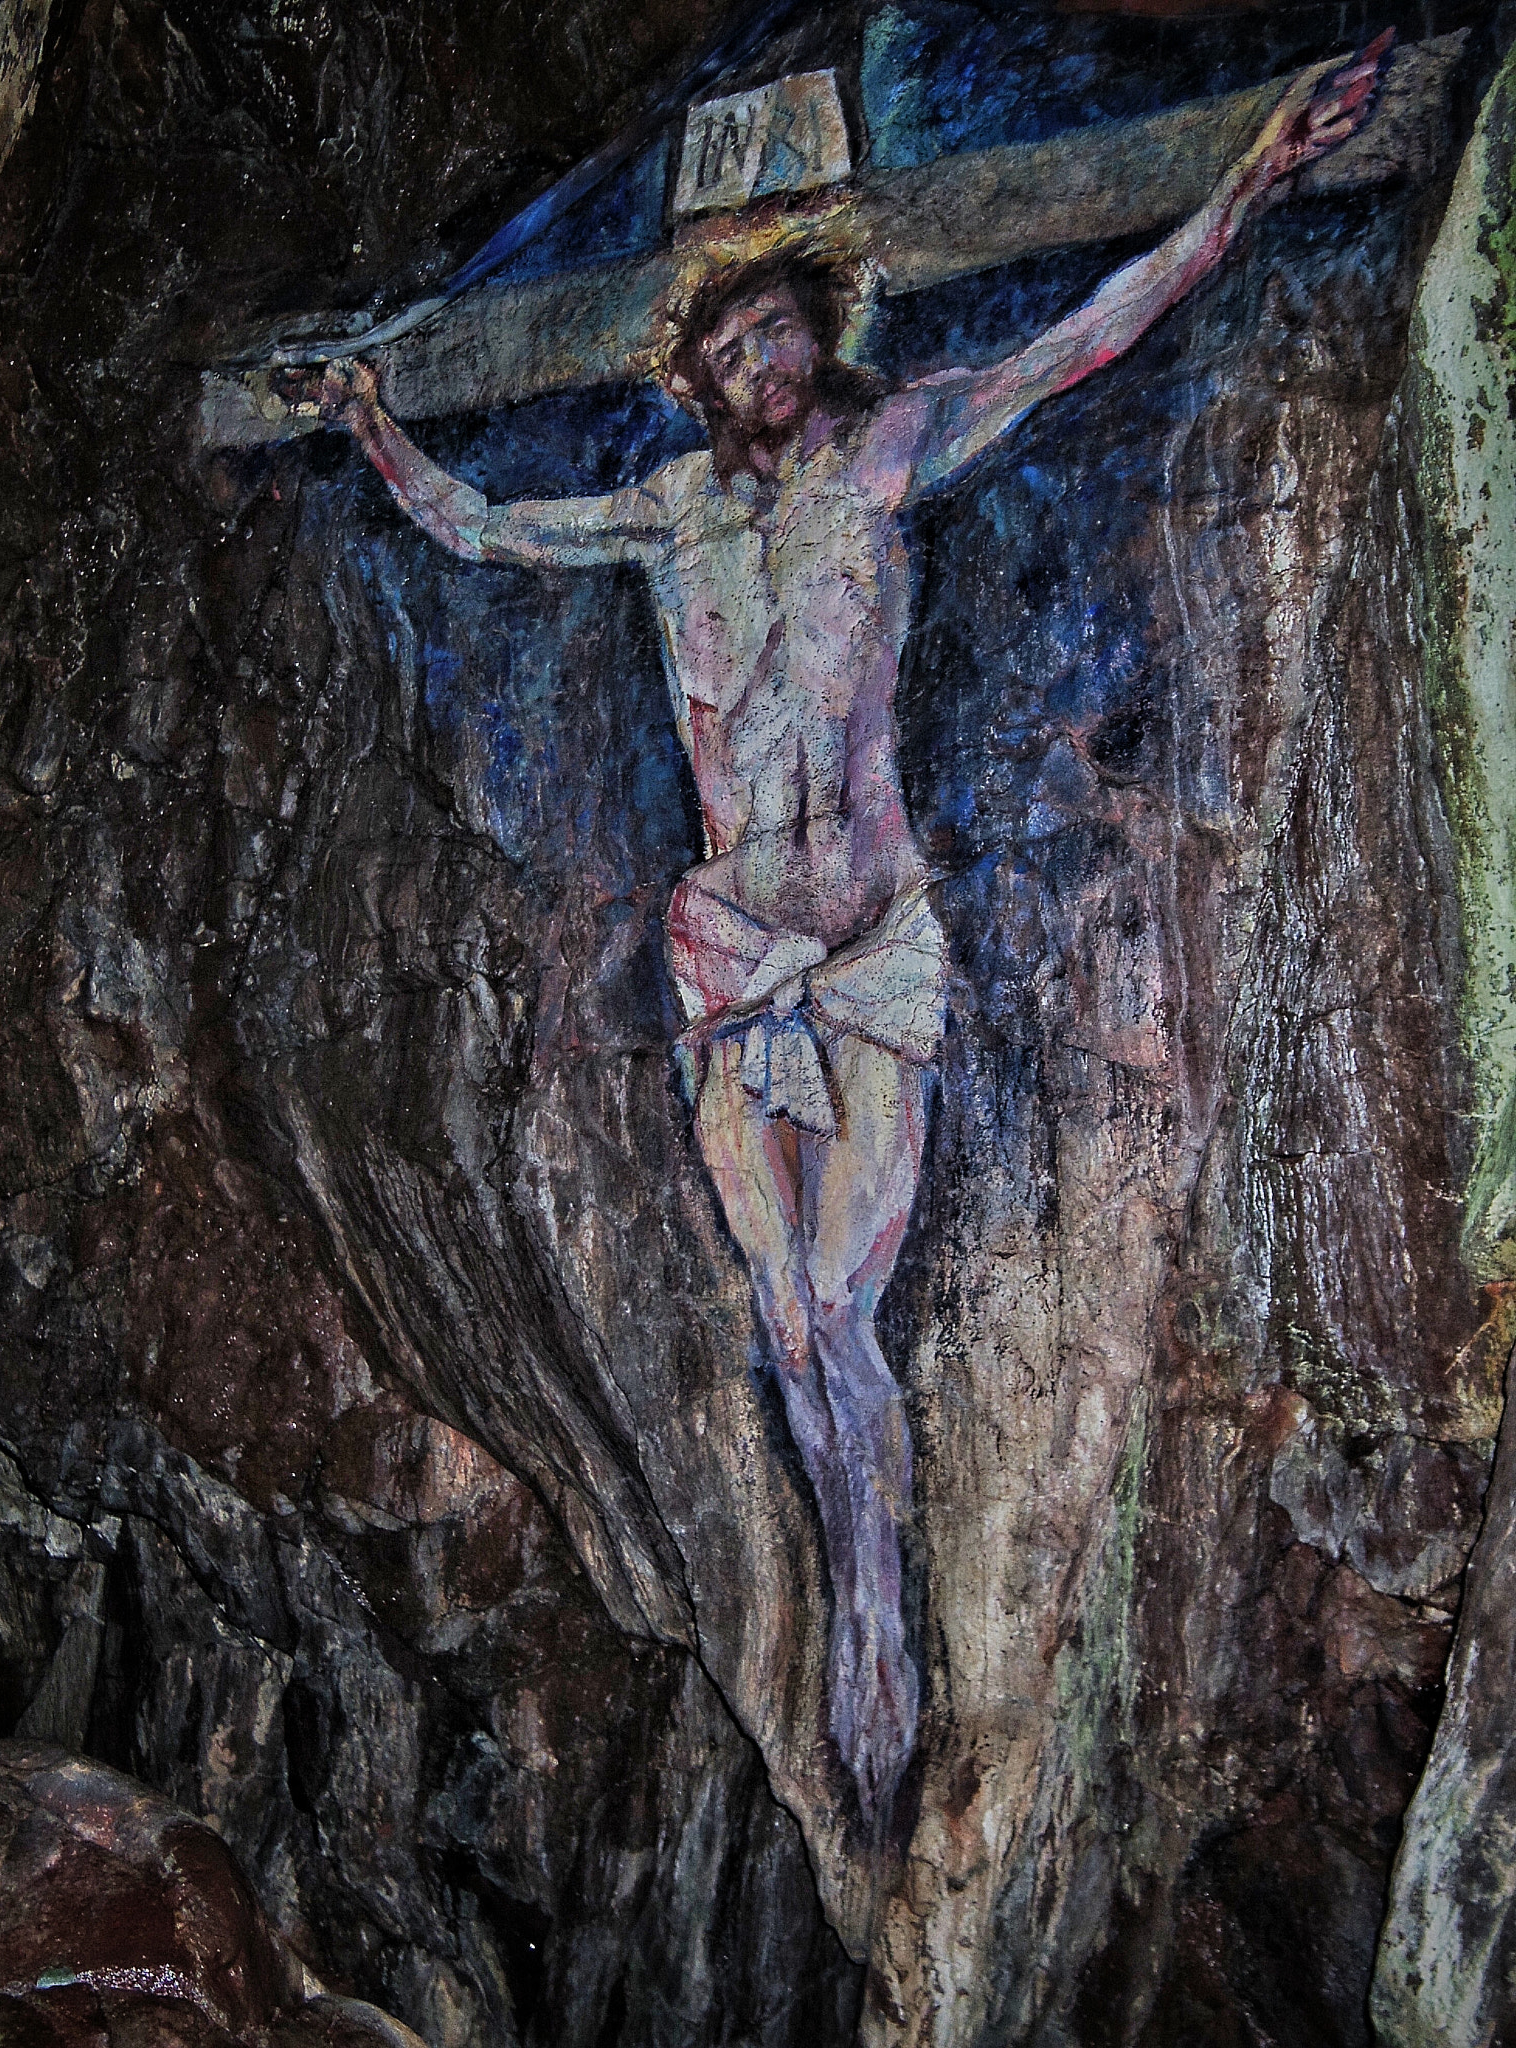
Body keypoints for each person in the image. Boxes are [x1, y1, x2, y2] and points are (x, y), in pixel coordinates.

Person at [305, 37, 1388, 1815]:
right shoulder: (666, 516)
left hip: (873, 939)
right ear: (700, 376)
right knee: (789, 1320)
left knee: (844, 1299)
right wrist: (368, 427)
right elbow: (487, 529)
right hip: (735, 959)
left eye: (782, 325)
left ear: (822, 323)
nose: (762, 361)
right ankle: (850, 1578)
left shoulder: (897, 444)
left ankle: (877, 1620)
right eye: (729, 346)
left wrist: (1253, 177)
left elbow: (1085, 336)